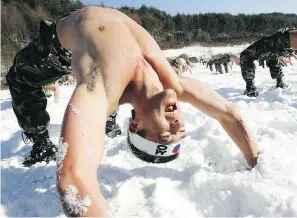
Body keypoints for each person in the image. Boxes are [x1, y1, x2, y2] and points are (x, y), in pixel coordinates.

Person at [46, 6, 260, 216]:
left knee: (21, 83)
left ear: (135, 124)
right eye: (181, 131)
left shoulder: (104, 87)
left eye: (165, 134)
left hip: (50, 45)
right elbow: (228, 114)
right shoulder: (173, 84)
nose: (177, 125)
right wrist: (257, 161)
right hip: (83, 12)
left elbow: (73, 179)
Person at [5, 14, 122, 167]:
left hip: (67, 38)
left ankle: (42, 146)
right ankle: (108, 123)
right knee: (108, 77)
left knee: (18, 78)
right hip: (107, 39)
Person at [240, 28, 297, 97]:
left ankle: (251, 89)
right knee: (270, 53)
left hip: (288, 40)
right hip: (286, 41)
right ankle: (279, 82)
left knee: (246, 55)